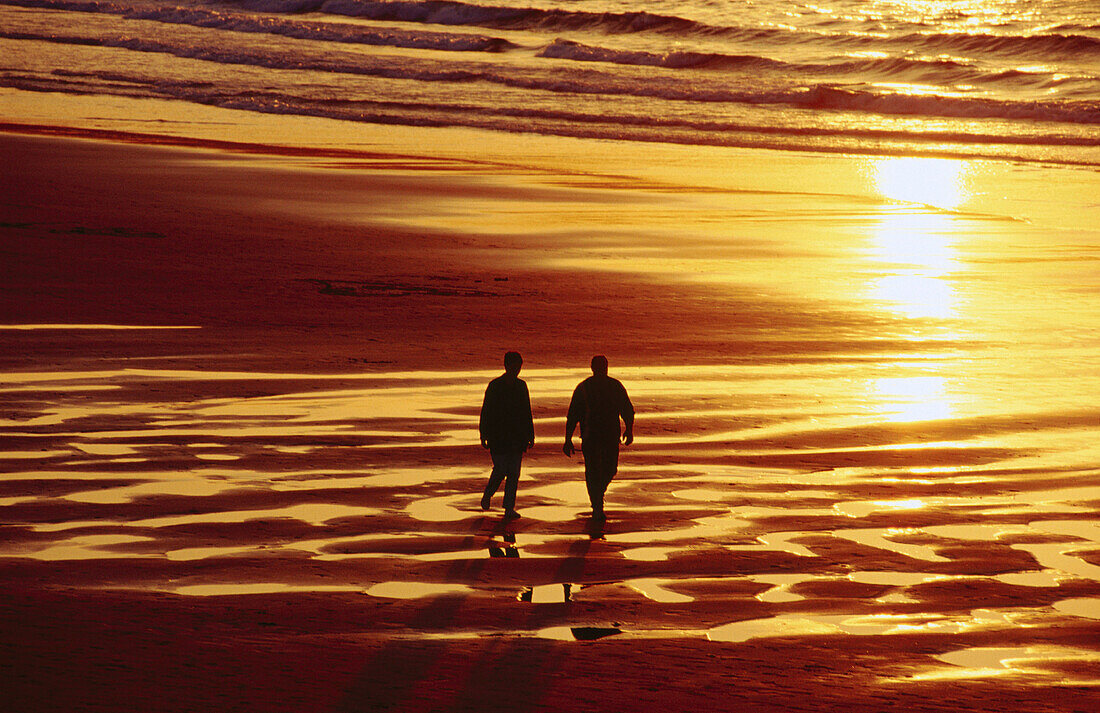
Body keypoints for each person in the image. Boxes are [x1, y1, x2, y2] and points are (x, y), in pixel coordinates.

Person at [563, 355, 634, 520]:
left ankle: (598, 494)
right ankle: (597, 505)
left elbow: (627, 410)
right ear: (593, 368)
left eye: (604, 367)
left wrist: (629, 430)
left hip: (610, 435)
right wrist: (567, 439)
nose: (602, 370)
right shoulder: (584, 388)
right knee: (592, 471)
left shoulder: (614, 386)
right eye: (600, 367)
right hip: (590, 436)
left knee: (610, 469)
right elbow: (573, 415)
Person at [479, 351, 534, 519]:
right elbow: (486, 411)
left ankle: (509, 508)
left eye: (519, 367)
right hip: (498, 436)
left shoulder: (521, 386)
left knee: (514, 473)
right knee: (501, 469)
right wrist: (483, 434)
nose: (517, 370)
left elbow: (527, 411)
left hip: (517, 436)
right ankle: (488, 494)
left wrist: (530, 434)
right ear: (506, 366)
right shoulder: (495, 386)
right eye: (514, 366)